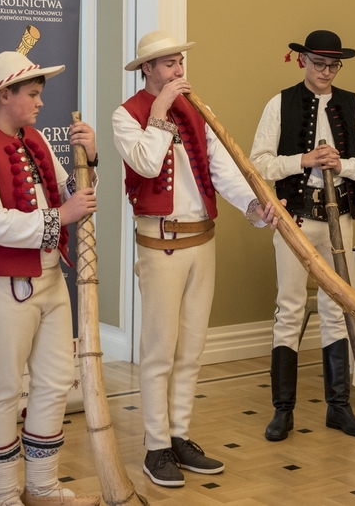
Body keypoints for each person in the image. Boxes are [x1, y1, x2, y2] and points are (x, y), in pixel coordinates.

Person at [112, 30, 278, 489]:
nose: (178, 70)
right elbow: (146, 164)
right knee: (159, 350)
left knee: (191, 348)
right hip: (161, 243)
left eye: (179, 62)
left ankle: (180, 435)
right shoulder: (127, 115)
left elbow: (222, 171)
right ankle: (155, 446)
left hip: (203, 240)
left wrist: (253, 206)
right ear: (147, 68)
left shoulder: (199, 112)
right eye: (168, 63)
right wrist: (160, 111)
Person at [0, 51, 100, 506]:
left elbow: (70, 195)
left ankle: (42, 488)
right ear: (4, 95)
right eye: (32, 94)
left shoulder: (35, 139)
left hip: (50, 277)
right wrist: (62, 216)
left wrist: (90, 158)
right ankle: (4, 495)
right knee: (3, 388)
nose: (39, 102)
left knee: (55, 381)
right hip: (1, 284)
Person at [250, 29, 355, 442]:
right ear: (302, 61)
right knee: (290, 308)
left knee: (337, 308)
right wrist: (303, 160)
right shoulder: (280, 103)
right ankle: (283, 410)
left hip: (339, 218)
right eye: (319, 63)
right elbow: (259, 163)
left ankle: (338, 407)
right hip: (295, 218)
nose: (326, 72)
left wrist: (342, 165)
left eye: (333, 65)